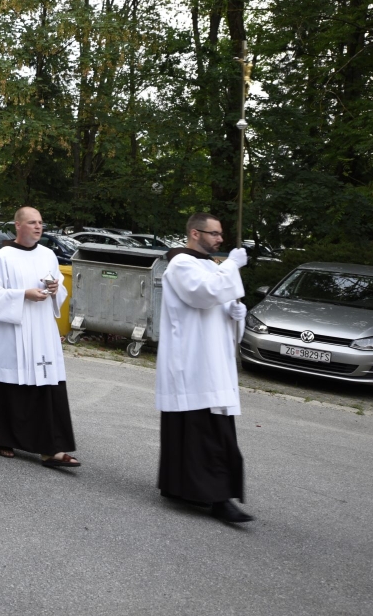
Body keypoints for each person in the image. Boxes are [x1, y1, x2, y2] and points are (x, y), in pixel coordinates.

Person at [157, 212, 252, 523]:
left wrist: (234, 315)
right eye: (214, 233)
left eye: (221, 233)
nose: (220, 239)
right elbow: (204, 295)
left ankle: (181, 487)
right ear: (195, 234)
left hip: (213, 360)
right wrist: (232, 265)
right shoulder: (181, 264)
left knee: (197, 430)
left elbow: (216, 302)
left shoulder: (210, 265)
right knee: (208, 433)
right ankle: (219, 498)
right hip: (192, 361)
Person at [0, 207, 79, 468]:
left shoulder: (48, 254)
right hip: (11, 330)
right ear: (18, 226)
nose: (38, 227)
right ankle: (3, 437)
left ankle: (51, 447)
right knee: (9, 384)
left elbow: (58, 287)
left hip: (40, 329)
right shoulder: (2, 257)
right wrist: (23, 295)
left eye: (40, 222)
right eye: (32, 222)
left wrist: (55, 289)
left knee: (45, 384)